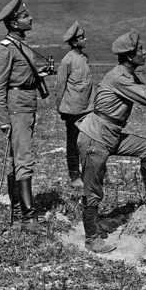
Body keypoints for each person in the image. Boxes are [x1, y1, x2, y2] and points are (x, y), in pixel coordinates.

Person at [76, 30, 146, 254]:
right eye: (140, 50)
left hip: (110, 134)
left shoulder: (127, 73)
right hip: (96, 138)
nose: (144, 52)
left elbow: (145, 91)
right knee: (93, 191)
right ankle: (92, 239)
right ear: (130, 56)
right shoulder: (119, 77)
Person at [0, 0, 48, 233]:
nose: (30, 18)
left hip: (25, 106)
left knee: (16, 161)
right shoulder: (6, 49)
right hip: (16, 110)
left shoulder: (21, 45)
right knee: (24, 160)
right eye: (25, 16)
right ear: (14, 23)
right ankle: (28, 218)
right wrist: (3, 121)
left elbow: (22, 76)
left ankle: (16, 210)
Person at [55, 21, 95, 188]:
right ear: (73, 42)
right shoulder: (67, 61)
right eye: (81, 37)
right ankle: (74, 176)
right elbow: (60, 86)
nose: (85, 39)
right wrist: (60, 107)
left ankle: (88, 173)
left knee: (87, 142)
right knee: (73, 143)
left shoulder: (84, 58)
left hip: (87, 108)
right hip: (72, 109)